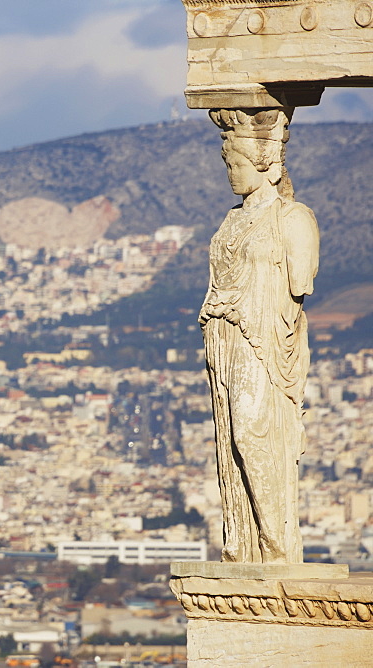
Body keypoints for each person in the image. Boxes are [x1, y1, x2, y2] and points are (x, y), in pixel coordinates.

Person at [200, 108, 319, 563]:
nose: (231, 174)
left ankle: (276, 543)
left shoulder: (294, 218)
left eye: (237, 164)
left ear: (265, 163)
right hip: (224, 338)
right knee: (229, 438)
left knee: (253, 431)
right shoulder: (231, 219)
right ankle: (242, 544)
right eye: (228, 165)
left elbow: (300, 282)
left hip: (263, 341)